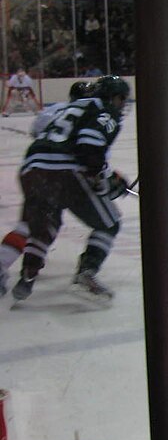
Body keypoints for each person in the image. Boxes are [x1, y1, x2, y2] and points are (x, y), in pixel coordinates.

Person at [0, 75, 131, 303]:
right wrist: (104, 180)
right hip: (65, 173)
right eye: (121, 99)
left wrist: (103, 174)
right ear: (113, 97)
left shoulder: (65, 108)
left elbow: (44, 134)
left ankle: (21, 274)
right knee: (109, 223)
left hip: (32, 169)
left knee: (36, 227)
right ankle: (86, 272)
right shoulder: (103, 110)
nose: (122, 105)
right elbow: (89, 147)